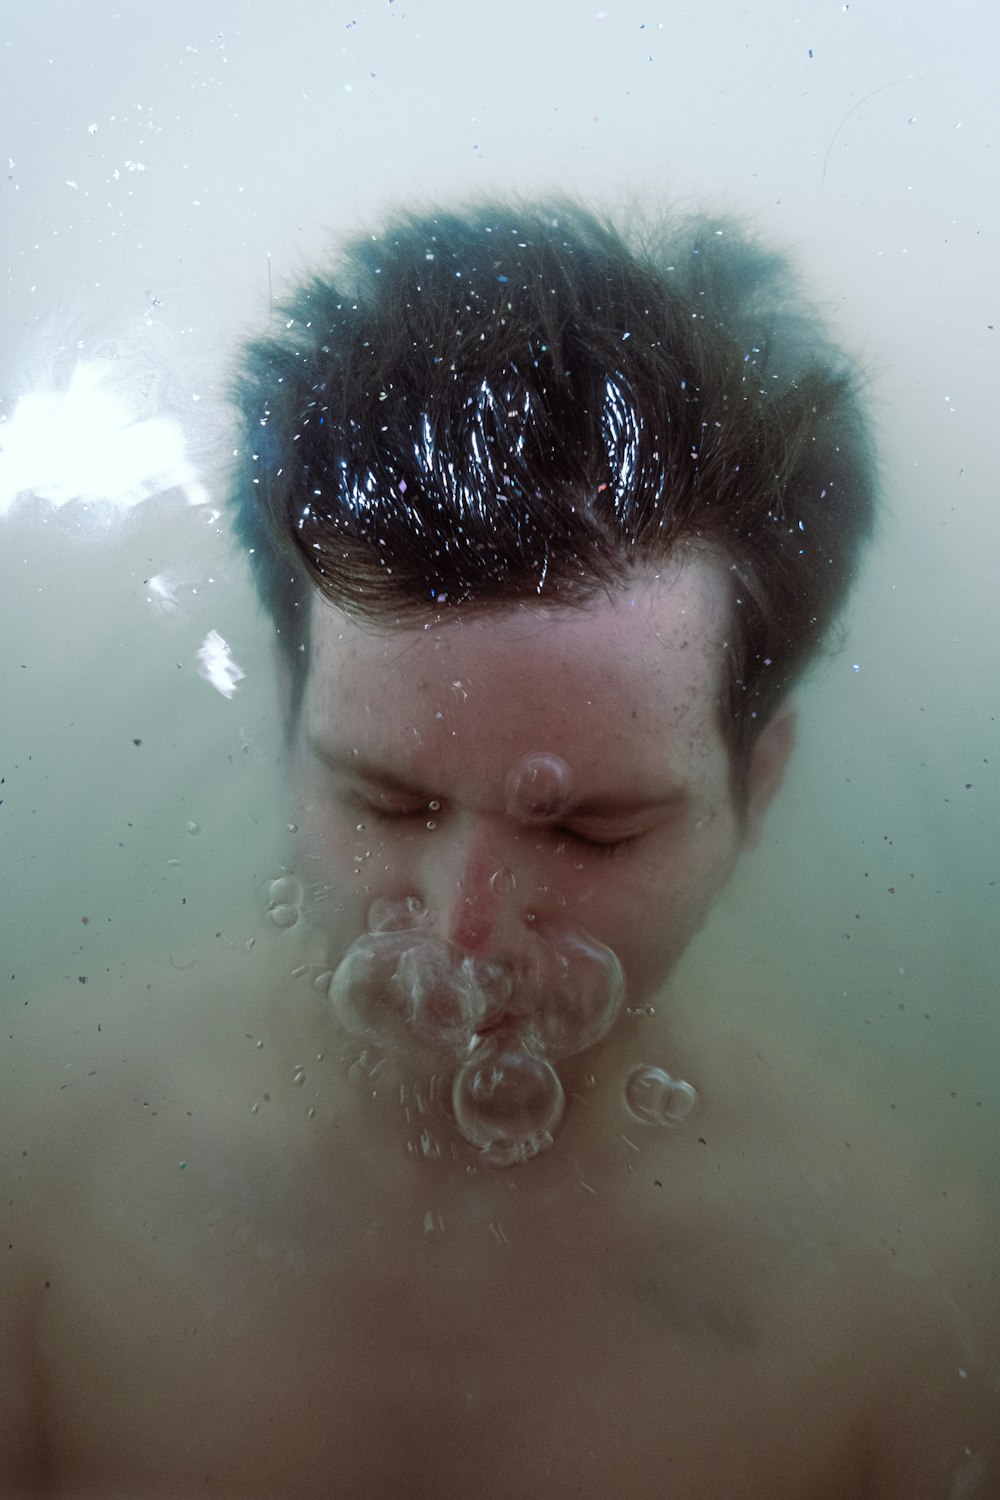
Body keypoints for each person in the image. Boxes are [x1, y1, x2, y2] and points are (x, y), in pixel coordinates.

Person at [2, 200, 997, 1498]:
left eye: (590, 827)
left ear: (758, 792)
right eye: (385, 803)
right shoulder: (37, 1170)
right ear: (286, 731)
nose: (464, 934)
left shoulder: (907, 1308)